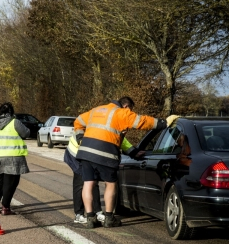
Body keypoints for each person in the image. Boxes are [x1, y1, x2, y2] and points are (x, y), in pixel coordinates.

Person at [74, 96, 175, 228]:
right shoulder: (121, 113)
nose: (131, 112)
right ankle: (109, 218)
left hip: (86, 152)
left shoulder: (96, 110)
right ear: (126, 106)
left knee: (88, 184)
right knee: (110, 184)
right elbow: (142, 122)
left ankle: (90, 217)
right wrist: (164, 123)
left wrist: (81, 137)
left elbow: (78, 122)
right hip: (106, 153)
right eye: (131, 109)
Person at [64, 131, 141, 224]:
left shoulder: (109, 125)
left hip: (91, 153)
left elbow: (120, 139)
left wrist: (133, 151)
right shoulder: (90, 124)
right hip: (77, 153)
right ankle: (79, 214)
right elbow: (83, 139)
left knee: (92, 181)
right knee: (82, 182)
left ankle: (97, 212)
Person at [0, 102, 30, 215]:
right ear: (11, 112)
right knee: (11, 183)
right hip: (13, 156)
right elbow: (26, 133)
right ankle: (5, 207)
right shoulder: (14, 122)